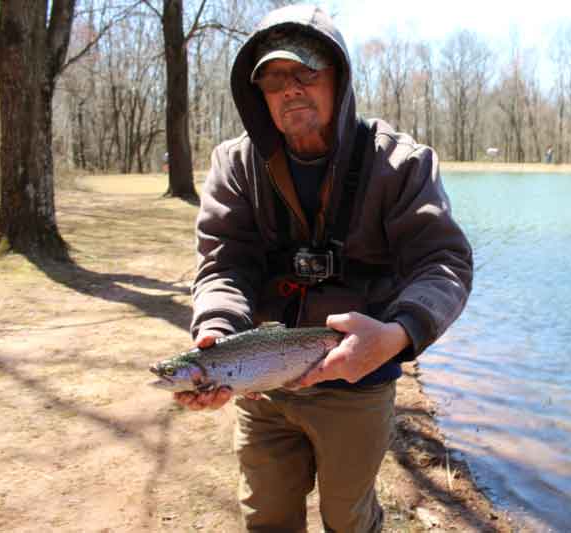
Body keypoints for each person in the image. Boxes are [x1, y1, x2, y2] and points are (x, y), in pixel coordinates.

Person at [173, 5, 473, 532]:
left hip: (357, 385)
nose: (289, 89)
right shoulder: (235, 165)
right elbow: (224, 262)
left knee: (348, 518)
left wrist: (397, 335)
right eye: (272, 80)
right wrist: (218, 332)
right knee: (266, 517)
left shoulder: (400, 164)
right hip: (260, 384)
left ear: (340, 77)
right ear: (257, 95)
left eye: (305, 73)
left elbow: (442, 263)